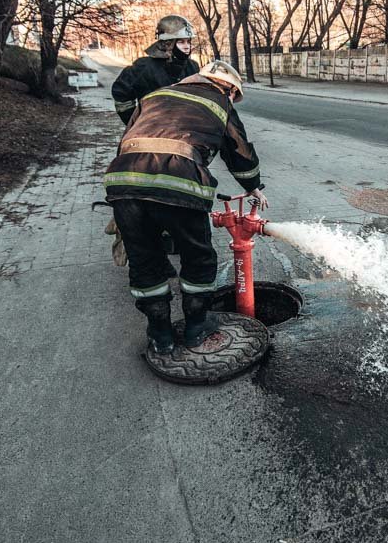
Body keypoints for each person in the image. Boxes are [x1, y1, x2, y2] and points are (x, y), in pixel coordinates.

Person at [102, 60, 268, 355]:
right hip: (180, 182)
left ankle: (160, 334)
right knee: (198, 257)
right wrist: (253, 186)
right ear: (227, 88)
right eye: (234, 94)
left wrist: (125, 197)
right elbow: (239, 150)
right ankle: (195, 327)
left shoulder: (155, 96)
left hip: (123, 180)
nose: (232, 100)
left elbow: (127, 138)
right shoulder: (220, 102)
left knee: (144, 260)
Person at [111, 14, 200, 125]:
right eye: (181, 42)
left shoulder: (192, 67)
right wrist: (136, 122)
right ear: (167, 44)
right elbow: (121, 95)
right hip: (152, 131)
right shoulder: (143, 67)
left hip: (185, 129)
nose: (187, 46)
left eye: (188, 41)